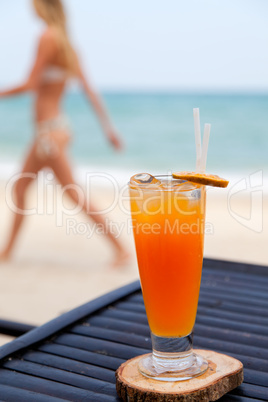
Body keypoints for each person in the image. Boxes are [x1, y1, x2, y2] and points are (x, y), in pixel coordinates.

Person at [0, 0, 128, 266]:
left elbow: (31, 83)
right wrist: (109, 130)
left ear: (42, 7)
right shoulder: (69, 46)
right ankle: (7, 252)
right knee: (24, 188)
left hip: (48, 132)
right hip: (57, 129)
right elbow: (90, 91)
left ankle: (121, 249)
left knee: (70, 192)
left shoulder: (47, 38)